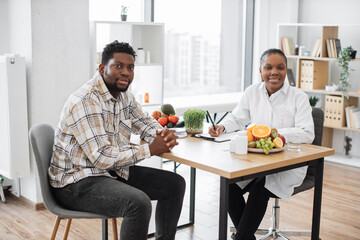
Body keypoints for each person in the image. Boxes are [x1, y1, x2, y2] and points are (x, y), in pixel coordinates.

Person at [49, 41, 185, 240]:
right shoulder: (85, 101)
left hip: (110, 172)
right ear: (103, 68)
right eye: (118, 66)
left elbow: (144, 121)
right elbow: (101, 157)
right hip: (75, 182)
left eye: (130, 68)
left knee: (175, 184)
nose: (125, 73)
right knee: (138, 203)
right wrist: (150, 149)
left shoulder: (124, 95)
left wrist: (161, 134)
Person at [209, 48, 314, 240]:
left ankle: (242, 237)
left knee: (262, 186)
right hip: (256, 161)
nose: (274, 72)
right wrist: (222, 126)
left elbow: (308, 133)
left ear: (286, 70)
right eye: (268, 67)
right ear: (260, 71)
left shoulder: (299, 96)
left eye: (280, 67)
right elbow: (238, 118)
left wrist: (273, 133)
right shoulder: (252, 92)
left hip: (288, 164)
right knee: (228, 184)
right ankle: (246, 237)